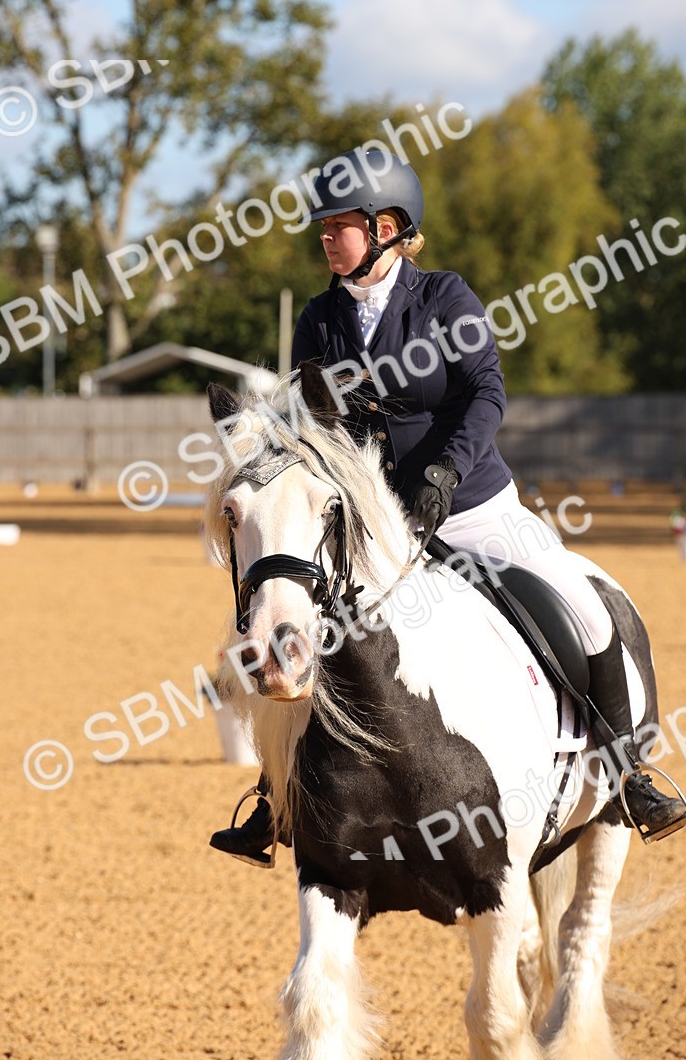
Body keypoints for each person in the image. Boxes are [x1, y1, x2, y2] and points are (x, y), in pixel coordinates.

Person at [210, 148, 686, 865]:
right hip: (376, 525)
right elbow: (317, 424)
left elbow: (485, 396)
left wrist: (443, 470)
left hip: (470, 505)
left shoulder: (445, 300)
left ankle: (628, 776)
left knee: (583, 610)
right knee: (301, 626)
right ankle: (275, 800)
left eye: (340, 226)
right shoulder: (318, 320)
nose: (327, 240)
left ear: (390, 228)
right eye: (323, 229)